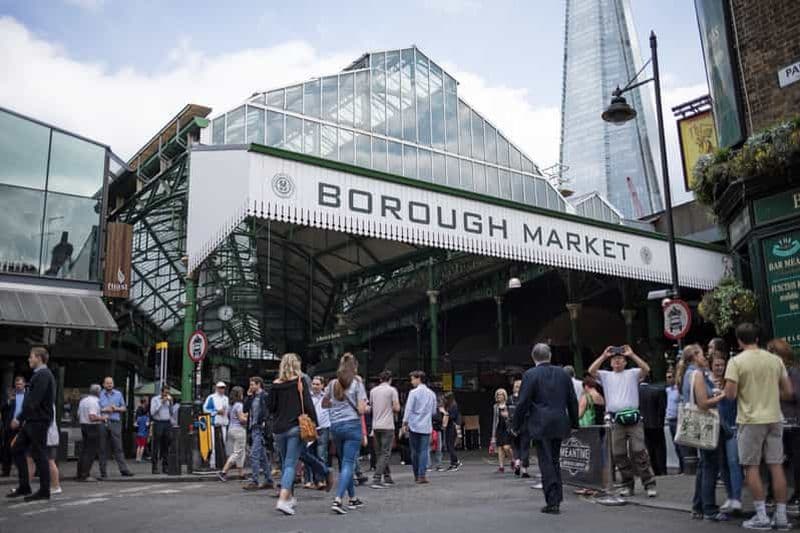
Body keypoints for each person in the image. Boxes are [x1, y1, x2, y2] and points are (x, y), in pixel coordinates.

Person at [724, 323, 793, 530]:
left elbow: (730, 394)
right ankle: (781, 516)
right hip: (774, 417)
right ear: (757, 338)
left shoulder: (736, 362)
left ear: (739, 340)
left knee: (751, 467)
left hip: (750, 419)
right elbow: (788, 391)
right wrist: (770, 395)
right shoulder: (775, 360)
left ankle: (762, 516)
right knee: (776, 465)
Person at [513, 343, 579, 515]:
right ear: (549, 355)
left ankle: (553, 500)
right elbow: (572, 400)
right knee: (555, 460)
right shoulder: (563, 374)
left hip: (540, 423)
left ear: (533, 357)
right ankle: (558, 495)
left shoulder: (530, 374)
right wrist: (575, 423)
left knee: (546, 461)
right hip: (560, 421)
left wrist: (516, 425)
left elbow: (523, 402)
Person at [588, 344, 657, 497]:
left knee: (639, 450)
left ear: (625, 362)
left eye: (620, 359)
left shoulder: (632, 373)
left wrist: (632, 355)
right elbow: (591, 371)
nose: (617, 362)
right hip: (615, 419)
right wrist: (604, 356)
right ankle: (627, 484)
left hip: (633, 417)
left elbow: (646, 369)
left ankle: (649, 483)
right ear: (611, 363)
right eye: (614, 360)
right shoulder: (606, 376)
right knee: (618, 453)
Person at [269, 353, 330, 516]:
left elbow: (270, 408)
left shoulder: (275, 385)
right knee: (290, 463)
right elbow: (308, 405)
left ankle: (290, 497)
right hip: (296, 428)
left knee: (287, 462)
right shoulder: (300, 381)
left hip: (279, 430)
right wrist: (315, 424)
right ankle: (282, 499)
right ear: (297, 366)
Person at [676, 344, 727, 522]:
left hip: (696, 423)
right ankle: (709, 509)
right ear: (694, 357)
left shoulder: (688, 373)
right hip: (704, 423)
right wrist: (721, 395)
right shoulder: (696, 374)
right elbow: (703, 403)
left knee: (703, 465)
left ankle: (698, 506)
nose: (704, 356)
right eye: (701, 354)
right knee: (710, 466)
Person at [6, 347, 55, 501]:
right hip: (33, 420)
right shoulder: (39, 375)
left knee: (39, 454)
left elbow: (34, 400)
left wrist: (19, 418)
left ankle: (44, 490)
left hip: (38, 420)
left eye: (31, 357)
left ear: (39, 358)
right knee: (16, 449)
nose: (29, 359)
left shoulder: (43, 375)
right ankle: (25, 486)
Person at [325, 353, 368, 514]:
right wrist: (365, 407)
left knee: (344, 463)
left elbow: (324, 403)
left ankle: (352, 498)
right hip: (352, 425)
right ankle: (338, 499)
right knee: (349, 463)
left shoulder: (332, 383)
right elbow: (362, 409)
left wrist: (337, 405)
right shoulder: (357, 383)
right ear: (354, 367)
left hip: (335, 426)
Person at [709, 339, 742, 515]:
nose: (719, 368)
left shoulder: (731, 381)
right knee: (723, 464)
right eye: (716, 365)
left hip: (732, 426)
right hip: (714, 428)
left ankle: (736, 498)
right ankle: (730, 496)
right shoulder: (707, 381)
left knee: (733, 461)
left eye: (722, 365)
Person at [770, 338, 800, 513]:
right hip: (779, 423)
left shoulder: (793, 372)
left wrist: (772, 391)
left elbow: (794, 395)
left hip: (793, 423)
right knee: (777, 460)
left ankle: (797, 495)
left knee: (796, 462)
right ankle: (773, 495)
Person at [402, 370, 437, 485]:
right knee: (423, 451)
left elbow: (408, 409)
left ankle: (416, 474)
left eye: (412, 379)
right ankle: (422, 475)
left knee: (414, 451)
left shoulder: (413, 393)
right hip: (426, 425)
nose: (411, 381)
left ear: (418, 379)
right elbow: (433, 412)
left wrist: (405, 423)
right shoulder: (431, 394)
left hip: (414, 425)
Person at [369, 370, 400, 489]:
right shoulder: (392, 390)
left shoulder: (373, 391)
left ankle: (387, 477)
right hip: (387, 425)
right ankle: (377, 478)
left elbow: (371, 407)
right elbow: (396, 407)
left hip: (376, 425)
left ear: (380, 379)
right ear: (390, 379)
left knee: (379, 453)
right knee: (385, 453)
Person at [98, 377, 133, 478]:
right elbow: (96, 408)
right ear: (103, 384)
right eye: (107, 383)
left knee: (118, 447)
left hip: (115, 422)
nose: (109, 385)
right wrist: (105, 409)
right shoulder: (99, 394)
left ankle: (124, 470)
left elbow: (124, 408)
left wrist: (116, 408)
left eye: (111, 383)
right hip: (102, 421)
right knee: (102, 447)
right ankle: (103, 471)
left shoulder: (118, 394)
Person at [242, 376, 273, 491]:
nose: (251, 387)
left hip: (260, 428)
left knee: (254, 455)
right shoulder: (253, 397)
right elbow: (245, 410)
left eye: (252, 384)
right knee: (262, 456)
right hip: (253, 428)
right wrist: (249, 396)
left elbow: (268, 411)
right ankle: (269, 480)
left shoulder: (264, 396)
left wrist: (265, 423)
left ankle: (254, 481)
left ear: (259, 384)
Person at [76, 384, 107, 481]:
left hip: (83, 425)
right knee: (90, 452)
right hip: (92, 427)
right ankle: (85, 475)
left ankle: (80, 473)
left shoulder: (84, 400)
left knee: (84, 451)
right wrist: (103, 418)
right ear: (98, 392)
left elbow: (78, 414)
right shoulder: (94, 402)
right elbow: (92, 417)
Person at [639, 378, 667, 476]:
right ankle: (662, 469)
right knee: (660, 448)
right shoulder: (658, 391)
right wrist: (661, 422)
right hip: (657, 424)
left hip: (643, 424)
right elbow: (662, 409)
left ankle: (653, 469)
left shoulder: (636, 392)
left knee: (648, 447)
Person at [219, 386, 247, 481]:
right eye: (242, 393)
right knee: (237, 452)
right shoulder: (239, 405)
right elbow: (241, 419)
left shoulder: (231, 405)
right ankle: (223, 472)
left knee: (241, 452)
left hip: (230, 429)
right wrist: (249, 418)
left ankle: (241, 474)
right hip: (239, 430)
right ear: (239, 395)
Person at [2, 376, 25, 477]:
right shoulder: (12, 395)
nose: (18, 386)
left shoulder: (28, 396)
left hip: (22, 426)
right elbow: (3, 409)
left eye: (20, 384)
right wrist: (8, 401)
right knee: (7, 449)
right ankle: (6, 471)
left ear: (24, 384)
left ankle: (23, 471)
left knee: (22, 449)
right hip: (10, 425)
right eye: (16, 385)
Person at [203, 382, 230, 469]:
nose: (222, 389)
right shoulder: (211, 397)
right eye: (220, 387)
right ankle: (213, 463)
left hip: (223, 424)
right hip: (213, 424)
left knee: (223, 444)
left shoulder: (226, 398)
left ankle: (221, 463)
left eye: (223, 388)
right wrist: (216, 412)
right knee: (213, 444)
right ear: (216, 388)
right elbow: (205, 409)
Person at [149, 385, 173, 475]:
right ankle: (154, 467)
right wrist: (161, 402)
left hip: (167, 422)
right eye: (165, 393)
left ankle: (165, 466)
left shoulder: (169, 399)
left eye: (168, 393)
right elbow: (152, 412)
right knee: (156, 445)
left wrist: (170, 403)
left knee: (166, 445)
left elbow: (171, 412)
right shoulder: (155, 399)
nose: (167, 395)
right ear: (162, 392)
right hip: (158, 422)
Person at [664, 369, 683, 473]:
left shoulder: (678, 391)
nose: (668, 379)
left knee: (681, 445)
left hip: (677, 419)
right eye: (667, 377)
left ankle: (683, 466)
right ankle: (680, 465)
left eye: (670, 377)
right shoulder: (667, 391)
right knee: (676, 445)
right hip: (670, 419)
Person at [490, 388, 514, 473]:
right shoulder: (495, 406)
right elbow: (494, 420)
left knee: (506, 447)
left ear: (504, 396)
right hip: (499, 429)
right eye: (498, 395)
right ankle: (501, 467)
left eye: (501, 394)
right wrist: (493, 436)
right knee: (500, 448)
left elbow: (512, 417)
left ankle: (512, 460)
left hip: (507, 429)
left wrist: (508, 416)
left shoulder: (509, 405)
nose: (499, 396)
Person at [509, 379, 529, 477]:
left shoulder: (510, 399)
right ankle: (524, 470)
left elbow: (507, 414)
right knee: (525, 447)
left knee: (516, 446)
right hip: (525, 425)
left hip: (514, 426)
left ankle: (517, 462)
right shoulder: (526, 398)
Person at [442, 392, 462, 471]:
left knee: (450, 445)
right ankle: (453, 462)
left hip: (452, 427)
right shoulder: (451, 405)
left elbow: (452, 416)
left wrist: (445, 413)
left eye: (446, 399)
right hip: (450, 426)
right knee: (449, 445)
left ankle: (455, 462)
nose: (444, 400)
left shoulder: (453, 406)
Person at [45, 403, 61, 495]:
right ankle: (25, 485)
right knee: (30, 459)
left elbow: (48, 420)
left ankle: (56, 486)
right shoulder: (49, 404)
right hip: (48, 437)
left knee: (50, 461)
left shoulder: (49, 404)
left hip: (48, 437)